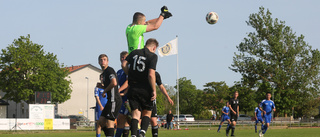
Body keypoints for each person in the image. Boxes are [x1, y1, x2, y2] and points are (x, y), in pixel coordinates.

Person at [122, 38, 159, 137]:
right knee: (147, 113)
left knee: (135, 114)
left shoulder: (134, 53)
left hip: (133, 87)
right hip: (145, 88)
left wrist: (129, 74)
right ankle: (142, 133)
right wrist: (154, 90)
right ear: (154, 47)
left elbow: (124, 64)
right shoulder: (153, 56)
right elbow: (151, 75)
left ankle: (133, 135)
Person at [97, 54, 122, 137]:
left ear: (107, 61)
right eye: (101, 60)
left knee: (109, 122)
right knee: (101, 122)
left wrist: (104, 91)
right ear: (98, 62)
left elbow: (114, 83)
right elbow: (110, 86)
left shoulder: (109, 70)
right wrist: (102, 87)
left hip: (114, 100)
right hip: (110, 100)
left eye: (104, 59)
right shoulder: (104, 73)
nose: (102, 61)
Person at [150, 71, 174, 137]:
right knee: (139, 120)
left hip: (151, 99)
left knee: (153, 120)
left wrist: (168, 97)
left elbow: (161, 87)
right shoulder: (141, 71)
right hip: (140, 99)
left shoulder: (156, 74)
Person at [115, 51, 130, 137]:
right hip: (121, 98)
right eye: (121, 57)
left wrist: (121, 91)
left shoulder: (128, 70)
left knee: (122, 119)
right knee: (125, 121)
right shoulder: (119, 71)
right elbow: (115, 83)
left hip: (128, 98)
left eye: (125, 57)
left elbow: (128, 82)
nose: (123, 59)